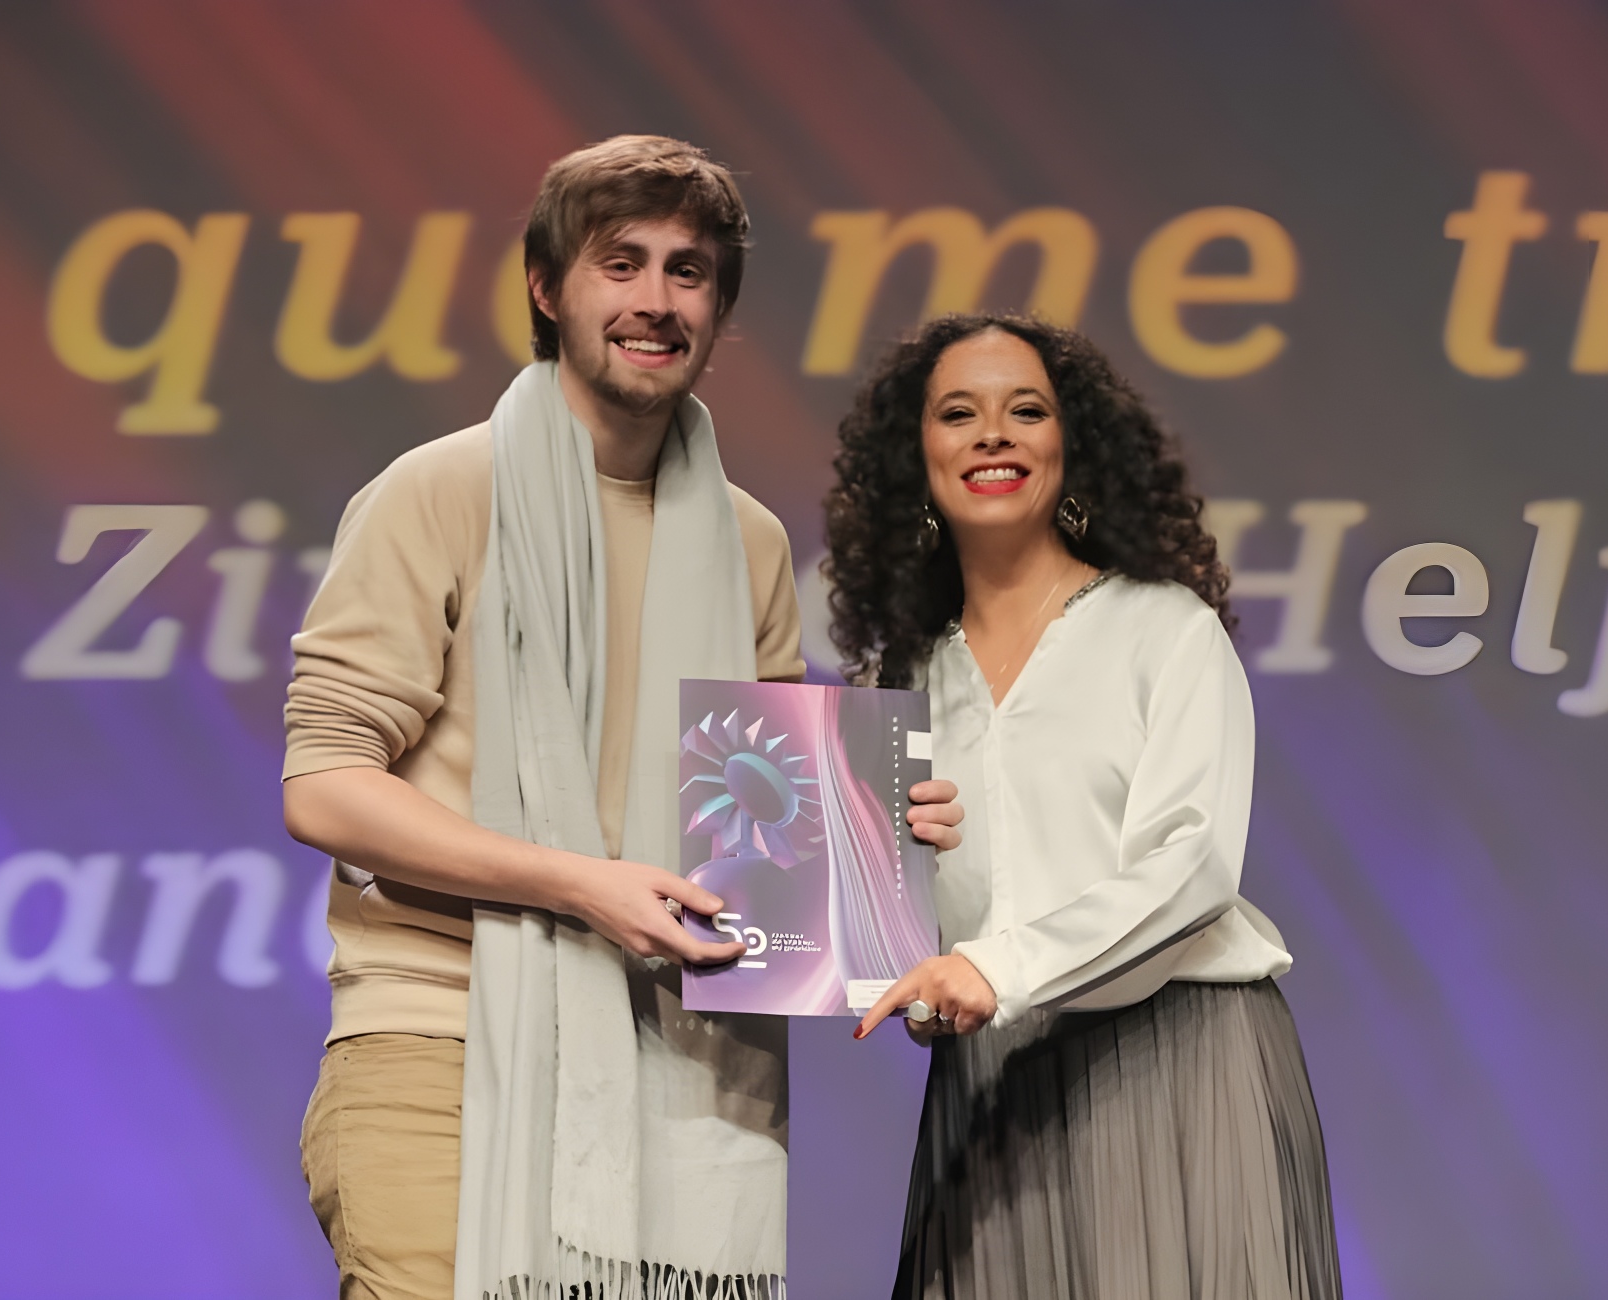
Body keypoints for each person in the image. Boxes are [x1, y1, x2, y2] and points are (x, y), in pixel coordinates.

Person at [281, 135, 963, 1300]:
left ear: (718, 308)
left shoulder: (748, 539)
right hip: (444, 1039)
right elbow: (326, 787)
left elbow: (756, 847)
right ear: (547, 289)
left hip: (681, 1069)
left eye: (687, 271)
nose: (655, 300)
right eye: (620, 263)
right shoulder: (438, 490)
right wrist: (579, 884)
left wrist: (872, 839)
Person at [829, 314, 1340, 1300]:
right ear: (914, 456)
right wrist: (911, 966)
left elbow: (1192, 867)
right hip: (995, 1096)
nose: (993, 433)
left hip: (1177, 1070)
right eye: (957, 413)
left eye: (1026, 410)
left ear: (1072, 447)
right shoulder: (907, 678)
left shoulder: (1164, 629)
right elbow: (923, 935)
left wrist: (993, 967)